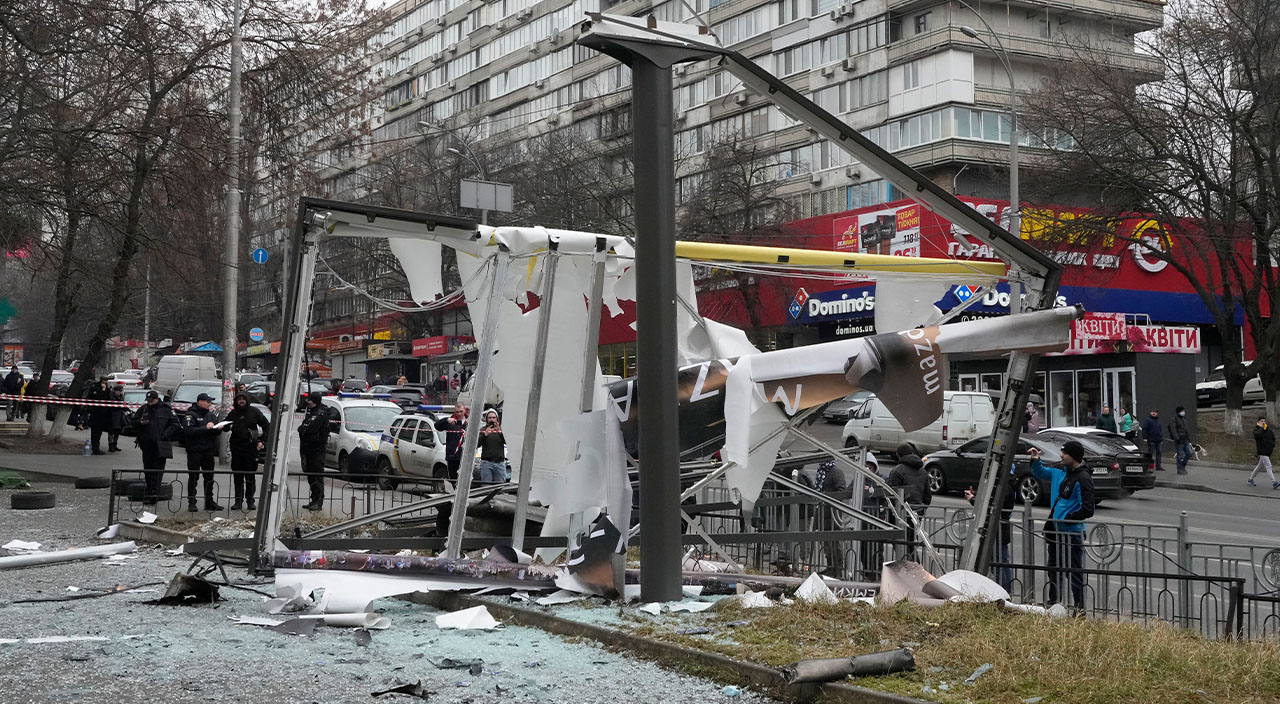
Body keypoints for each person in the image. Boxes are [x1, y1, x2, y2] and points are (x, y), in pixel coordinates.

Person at [1029, 441, 1095, 611]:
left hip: (1072, 533)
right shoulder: (1060, 470)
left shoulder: (1083, 478)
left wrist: (1067, 519)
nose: (1061, 455)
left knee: (1074, 572)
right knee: (1054, 570)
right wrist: (1036, 459)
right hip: (1056, 532)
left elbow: (1087, 508)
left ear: (1074, 456)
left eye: (1064, 452)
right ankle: (1054, 605)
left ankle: (1079, 609)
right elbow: (1040, 472)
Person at [965, 465, 1016, 592]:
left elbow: (993, 505)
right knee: (1002, 563)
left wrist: (973, 500)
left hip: (998, 529)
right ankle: (1005, 591)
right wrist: (975, 496)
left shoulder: (1005, 488)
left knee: (999, 564)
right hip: (1001, 528)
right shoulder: (1009, 486)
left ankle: (1004, 593)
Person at [225, 391, 270, 510]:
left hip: (250, 449)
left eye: (243, 399)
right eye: (239, 399)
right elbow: (224, 426)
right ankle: (238, 501)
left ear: (247, 400)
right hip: (237, 449)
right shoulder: (233, 413)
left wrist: (262, 441)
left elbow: (266, 425)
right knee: (238, 477)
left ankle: (250, 501)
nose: (241, 401)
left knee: (250, 476)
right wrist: (226, 426)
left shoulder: (254, 412)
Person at [182, 393, 225, 512]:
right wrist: (205, 428)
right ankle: (191, 502)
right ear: (200, 402)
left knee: (209, 477)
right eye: (208, 401)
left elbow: (213, 432)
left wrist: (218, 429)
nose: (210, 404)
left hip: (208, 451)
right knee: (193, 477)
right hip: (194, 451)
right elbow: (189, 431)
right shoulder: (190, 415)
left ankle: (209, 502)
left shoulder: (210, 415)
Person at [808, 459, 848, 577]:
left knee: (834, 543)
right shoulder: (822, 472)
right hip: (822, 513)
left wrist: (829, 498)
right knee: (826, 544)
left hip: (831, 514)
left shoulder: (835, 472)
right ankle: (831, 566)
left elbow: (841, 490)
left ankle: (837, 568)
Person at [135, 390, 177, 505]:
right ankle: (149, 492)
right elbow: (133, 423)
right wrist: (140, 423)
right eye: (148, 401)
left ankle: (154, 494)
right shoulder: (143, 409)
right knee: (148, 470)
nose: (150, 403)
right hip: (147, 444)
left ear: (157, 399)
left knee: (157, 471)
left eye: (151, 401)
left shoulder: (166, 409)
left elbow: (175, 425)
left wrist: (164, 435)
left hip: (161, 444)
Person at [297, 392, 333, 511]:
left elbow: (308, 428)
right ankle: (314, 499)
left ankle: (318, 501)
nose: (308, 402)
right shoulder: (312, 412)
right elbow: (301, 428)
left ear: (315, 401)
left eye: (310, 400)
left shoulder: (320, 414)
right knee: (311, 476)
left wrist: (304, 429)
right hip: (309, 449)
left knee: (317, 476)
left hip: (317, 450)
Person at [886, 442, 931, 516]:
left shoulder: (897, 471)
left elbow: (891, 493)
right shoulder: (923, 471)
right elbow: (927, 495)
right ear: (912, 452)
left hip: (900, 512)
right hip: (918, 511)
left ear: (898, 455)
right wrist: (922, 509)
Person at [434, 407, 467, 480]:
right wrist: (446, 420)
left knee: (464, 479)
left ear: (464, 410)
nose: (459, 414)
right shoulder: (450, 422)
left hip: (465, 457)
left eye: (461, 411)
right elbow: (436, 426)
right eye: (457, 412)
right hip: (452, 456)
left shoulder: (468, 422)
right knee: (453, 479)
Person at [476, 409, 506, 483]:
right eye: (490, 418)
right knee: (486, 486)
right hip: (486, 463)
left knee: (499, 487)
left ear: (497, 419)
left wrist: (500, 432)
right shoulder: (482, 430)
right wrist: (485, 435)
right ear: (486, 419)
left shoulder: (502, 429)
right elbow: (477, 444)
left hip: (500, 463)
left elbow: (506, 442)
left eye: (493, 417)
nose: (492, 419)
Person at [1249, 416, 1278, 489]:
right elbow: (1258, 435)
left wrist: (1272, 445)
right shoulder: (1256, 430)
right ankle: (1274, 482)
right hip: (1262, 451)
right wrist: (1261, 428)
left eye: (1264, 421)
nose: (1263, 422)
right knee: (1268, 465)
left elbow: (1273, 438)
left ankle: (1250, 479)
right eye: (1261, 421)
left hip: (1268, 451)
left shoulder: (1268, 430)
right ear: (1258, 422)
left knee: (1259, 466)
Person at [86, 377, 113, 455]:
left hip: (103, 414)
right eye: (105, 380)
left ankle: (96, 447)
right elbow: (99, 398)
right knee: (95, 432)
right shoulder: (96, 387)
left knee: (99, 432)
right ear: (101, 380)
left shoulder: (106, 388)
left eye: (107, 380)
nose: (106, 382)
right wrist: (103, 390)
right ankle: (95, 448)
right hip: (96, 413)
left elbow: (108, 399)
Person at [1170, 405, 1193, 475]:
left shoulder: (1184, 419)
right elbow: (1173, 429)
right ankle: (1180, 469)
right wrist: (1176, 438)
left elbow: (1186, 429)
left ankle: (1183, 466)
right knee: (1180, 455)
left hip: (1185, 439)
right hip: (1179, 440)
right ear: (1178, 412)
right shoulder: (1174, 419)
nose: (1183, 412)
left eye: (1184, 411)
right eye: (1182, 411)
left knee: (1189, 453)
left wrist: (1189, 438)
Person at [106, 384, 125, 452]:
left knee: (117, 431)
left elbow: (122, 405)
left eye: (120, 391)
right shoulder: (111, 396)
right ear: (115, 391)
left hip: (119, 416)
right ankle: (110, 445)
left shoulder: (121, 397)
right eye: (118, 391)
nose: (119, 392)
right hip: (112, 416)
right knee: (111, 432)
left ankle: (115, 444)